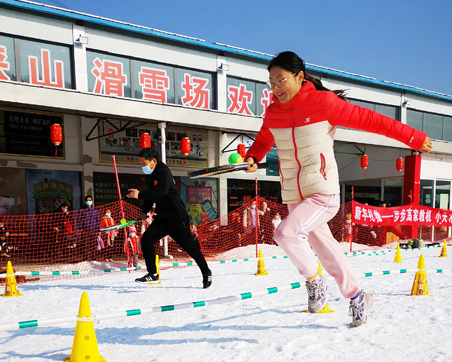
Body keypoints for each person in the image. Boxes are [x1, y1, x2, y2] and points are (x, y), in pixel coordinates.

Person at [244, 51, 432, 326]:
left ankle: (315, 281)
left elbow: (372, 120)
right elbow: (263, 140)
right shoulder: (274, 112)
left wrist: (412, 137)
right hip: (295, 194)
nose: (275, 88)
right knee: (326, 249)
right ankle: (358, 296)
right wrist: (252, 157)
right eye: (271, 83)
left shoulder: (323, 103)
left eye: (281, 80)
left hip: (322, 191)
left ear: (299, 77)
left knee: (285, 233)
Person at [126, 147, 212, 287]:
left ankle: (206, 272)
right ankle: (152, 274)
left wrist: (140, 195)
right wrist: (144, 211)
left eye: (144, 163)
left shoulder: (163, 171)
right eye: (140, 163)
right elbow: (151, 194)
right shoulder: (150, 175)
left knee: (190, 247)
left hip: (177, 217)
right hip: (162, 218)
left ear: (153, 161)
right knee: (146, 240)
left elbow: (162, 191)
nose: (142, 166)